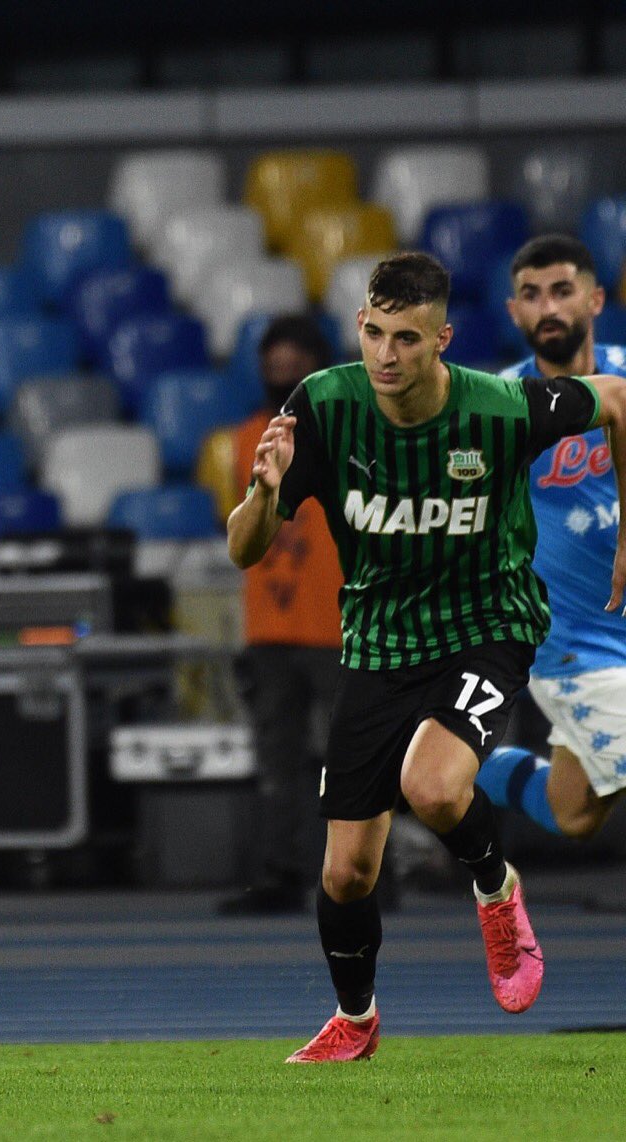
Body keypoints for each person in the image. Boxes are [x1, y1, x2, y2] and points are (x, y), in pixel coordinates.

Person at [229, 251, 626, 1064]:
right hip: (378, 645)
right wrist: (263, 496)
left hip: (489, 624)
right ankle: (357, 1021)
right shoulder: (326, 406)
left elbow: (619, 399)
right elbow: (245, 550)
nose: (384, 355)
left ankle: (496, 890)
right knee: (345, 873)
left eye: (405, 338)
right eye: (372, 333)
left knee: (434, 784)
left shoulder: (503, 408)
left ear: (440, 339)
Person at [476, 235, 626, 838]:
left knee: (574, 811)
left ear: (594, 300)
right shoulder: (498, 407)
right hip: (572, 642)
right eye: (531, 296)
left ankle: (438, 761)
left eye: (561, 292)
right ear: (513, 311)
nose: (547, 309)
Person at [217, 315, 344, 916]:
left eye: (295, 370)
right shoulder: (244, 438)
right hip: (270, 627)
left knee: (353, 758)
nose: (284, 380)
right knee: (278, 760)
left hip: (340, 624)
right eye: (275, 370)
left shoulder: (351, 428)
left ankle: (360, 873)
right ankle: (280, 872)